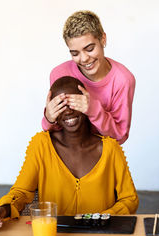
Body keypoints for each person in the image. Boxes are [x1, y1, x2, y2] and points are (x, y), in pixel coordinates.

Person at [0, 76, 138, 231]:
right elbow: (22, 192)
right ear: (52, 110)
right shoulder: (41, 145)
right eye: (60, 105)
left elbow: (129, 199)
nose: (68, 110)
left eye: (73, 102)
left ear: (86, 103)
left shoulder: (110, 148)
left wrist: (100, 219)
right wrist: (3, 210)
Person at [42, 10, 136, 144]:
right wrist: (48, 118)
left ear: (103, 39)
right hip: (68, 154)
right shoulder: (59, 73)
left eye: (90, 48)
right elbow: (56, 129)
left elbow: (119, 137)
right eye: (75, 53)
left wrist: (92, 109)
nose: (84, 59)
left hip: (101, 154)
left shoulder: (123, 80)